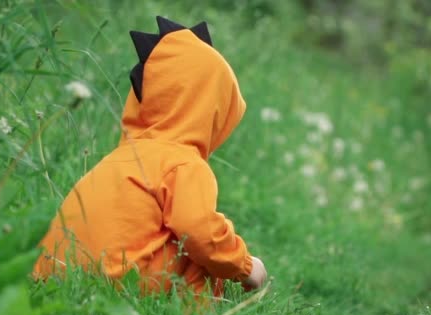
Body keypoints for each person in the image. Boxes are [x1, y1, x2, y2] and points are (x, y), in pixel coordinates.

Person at [33, 16, 267, 297]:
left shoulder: (118, 159)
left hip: (53, 277)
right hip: (113, 286)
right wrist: (245, 265)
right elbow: (201, 233)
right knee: (198, 250)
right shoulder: (182, 163)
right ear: (211, 112)